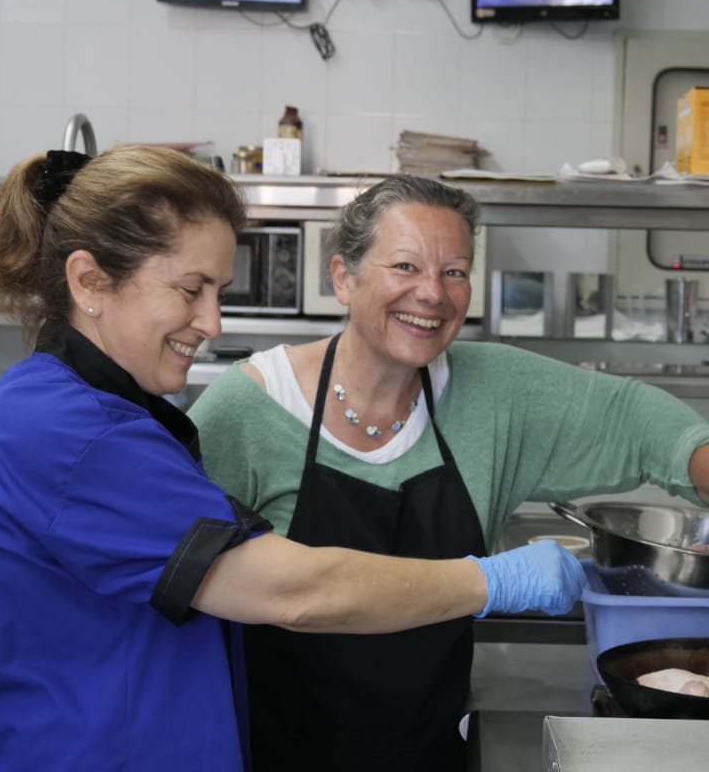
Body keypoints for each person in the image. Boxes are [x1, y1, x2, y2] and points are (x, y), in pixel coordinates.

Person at [0, 148, 586, 772]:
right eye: (191, 289)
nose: (213, 321)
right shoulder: (73, 435)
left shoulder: (92, 409)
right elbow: (297, 591)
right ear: (89, 281)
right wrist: (494, 582)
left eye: (218, 290)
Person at [188, 174, 709, 771]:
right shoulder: (248, 410)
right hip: (275, 752)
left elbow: (642, 422)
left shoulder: (493, 393)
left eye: (454, 271)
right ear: (342, 278)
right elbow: (185, 589)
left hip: (429, 750)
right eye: (406, 266)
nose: (432, 293)